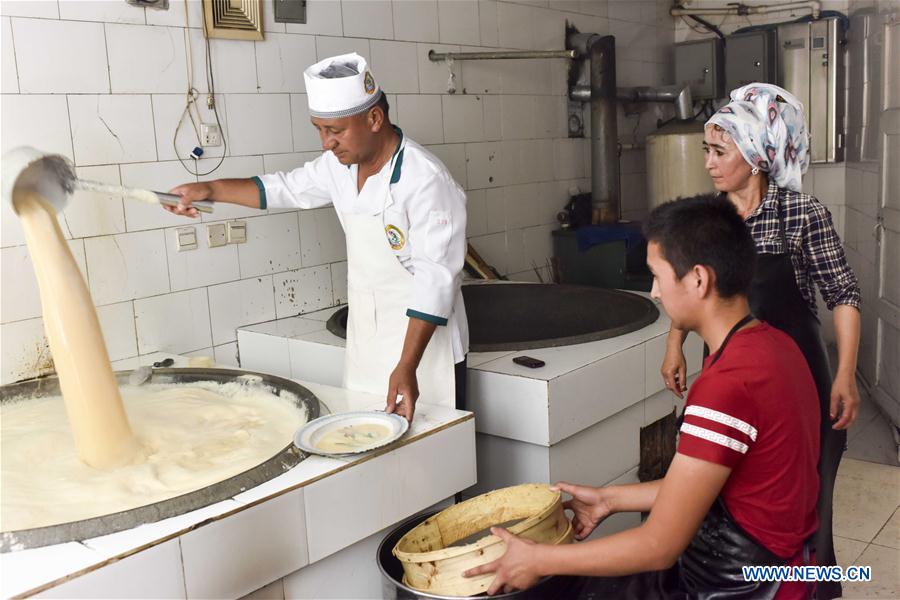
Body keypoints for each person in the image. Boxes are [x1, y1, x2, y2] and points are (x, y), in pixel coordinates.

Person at [465, 195, 820, 599]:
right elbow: (722, 487)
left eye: (657, 276)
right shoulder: (777, 347)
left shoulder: (727, 386)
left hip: (747, 584)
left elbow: (658, 547)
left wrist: (539, 559)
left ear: (698, 279)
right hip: (787, 566)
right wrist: (609, 499)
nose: (653, 292)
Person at [166, 53, 468, 421]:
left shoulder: (425, 179)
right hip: (367, 343)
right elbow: (281, 189)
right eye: (320, 130)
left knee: (433, 456)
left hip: (423, 353)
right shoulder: (338, 167)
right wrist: (208, 188)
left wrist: (406, 366)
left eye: (335, 130)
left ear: (374, 118)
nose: (326, 143)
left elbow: (436, 280)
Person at [660, 83, 860, 599]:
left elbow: (843, 294)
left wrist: (844, 376)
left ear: (756, 155)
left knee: (810, 508)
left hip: (798, 376)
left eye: (719, 151)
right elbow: (689, 284)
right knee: (729, 495)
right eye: (707, 150)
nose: (708, 163)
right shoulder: (711, 217)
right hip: (731, 374)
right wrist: (674, 343)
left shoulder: (800, 215)